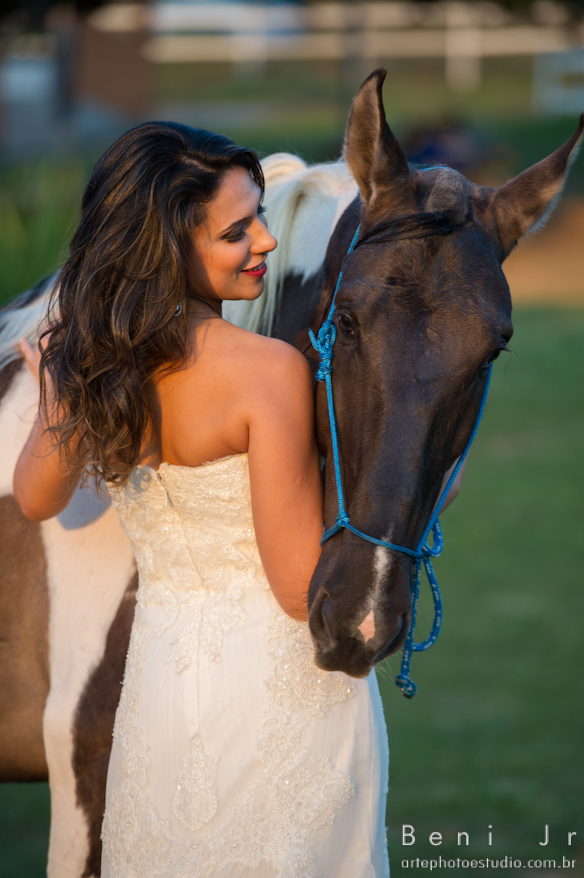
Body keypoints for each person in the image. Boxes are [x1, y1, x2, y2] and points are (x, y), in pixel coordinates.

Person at [13, 122, 390, 878]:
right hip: (279, 695)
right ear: (166, 247)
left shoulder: (92, 364)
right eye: (236, 231)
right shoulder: (267, 372)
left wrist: (55, 398)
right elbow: (294, 587)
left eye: (258, 217)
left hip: (158, 691)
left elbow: (34, 498)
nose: (266, 242)